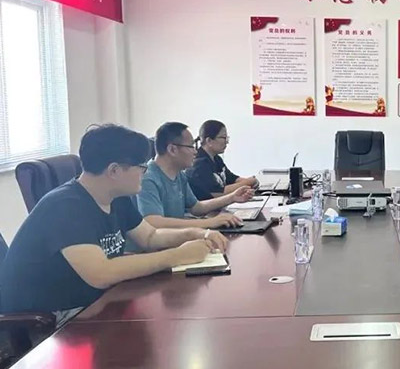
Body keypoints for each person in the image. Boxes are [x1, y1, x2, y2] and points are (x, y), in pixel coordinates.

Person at [0, 124, 229, 326]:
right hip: (51, 319)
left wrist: (197, 232)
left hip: (93, 303)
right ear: (114, 170)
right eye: (141, 167)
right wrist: (177, 256)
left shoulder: (116, 197)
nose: (145, 172)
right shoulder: (65, 206)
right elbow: (101, 273)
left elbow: (150, 237)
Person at [137, 122, 253, 230]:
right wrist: (209, 222)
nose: (195, 152)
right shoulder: (147, 178)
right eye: (191, 146)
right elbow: (153, 222)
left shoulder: (179, 174)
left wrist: (232, 197)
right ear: (172, 149)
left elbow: (196, 207)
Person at [187, 120, 258, 200]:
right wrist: (249, 182)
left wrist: (252, 182)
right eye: (223, 138)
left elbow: (233, 179)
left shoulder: (216, 159)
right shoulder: (199, 164)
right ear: (209, 141)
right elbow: (218, 193)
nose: (226, 142)